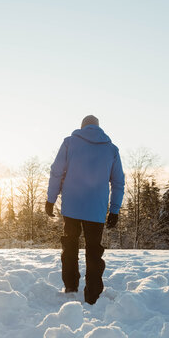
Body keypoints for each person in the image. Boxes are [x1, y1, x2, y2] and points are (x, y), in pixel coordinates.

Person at [45, 115, 125, 305]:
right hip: (96, 209)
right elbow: (118, 182)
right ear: (99, 128)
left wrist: (50, 199)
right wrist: (114, 210)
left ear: (82, 127)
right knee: (94, 251)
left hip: (72, 206)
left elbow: (56, 171)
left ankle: (71, 287)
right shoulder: (111, 149)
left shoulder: (69, 143)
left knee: (70, 246)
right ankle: (93, 295)